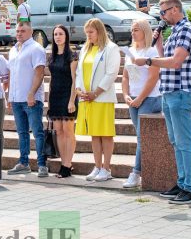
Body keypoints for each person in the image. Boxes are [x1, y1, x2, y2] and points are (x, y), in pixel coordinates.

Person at [134, 0, 191, 204]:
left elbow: (176, 62)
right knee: (175, 142)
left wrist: (149, 60)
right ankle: (182, 183)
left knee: (184, 142)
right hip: (169, 93)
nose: (161, 17)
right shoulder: (174, 32)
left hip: (180, 93)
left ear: (174, 9)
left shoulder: (187, 29)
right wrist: (159, 43)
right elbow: (166, 58)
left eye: (163, 12)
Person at [75, 18, 121, 182]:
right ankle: (97, 166)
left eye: (91, 32)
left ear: (100, 31)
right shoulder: (85, 49)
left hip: (102, 98)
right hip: (87, 98)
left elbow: (111, 73)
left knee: (105, 133)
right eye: (86, 32)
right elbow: (80, 72)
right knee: (94, 134)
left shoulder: (111, 48)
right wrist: (79, 89)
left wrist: (96, 92)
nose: (88, 36)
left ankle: (106, 168)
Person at [121, 19, 161, 188]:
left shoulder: (152, 52)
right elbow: (125, 76)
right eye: (131, 30)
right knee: (141, 137)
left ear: (144, 31)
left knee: (141, 137)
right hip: (133, 97)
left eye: (136, 29)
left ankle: (136, 173)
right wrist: (125, 95)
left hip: (150, 98)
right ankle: (145, 170)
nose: (133, 33)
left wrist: (140, 98)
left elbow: (153, 78)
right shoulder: (129, 51)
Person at [7, 22, 47, 177]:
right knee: (22, 132)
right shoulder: (13, 50)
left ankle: (42, 165)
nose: (19, 33)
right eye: (17, 31)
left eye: (22, 31)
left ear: (30, 32)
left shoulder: (36, 48)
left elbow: (39, 72)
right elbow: (12, 74)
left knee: (37, 132)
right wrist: (10, 95)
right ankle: (24, 163)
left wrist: (31, 93)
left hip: (32, 99)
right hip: (16, 98)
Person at [47, 25, 78, 178]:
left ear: (66, 36)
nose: (58, 36)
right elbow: (52, 79)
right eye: (55, 34)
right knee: (58, 130)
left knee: (68, 130)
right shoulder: (52, 56)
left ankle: (67, 164)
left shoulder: (72, 55)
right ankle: (64, 163)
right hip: (55, 96)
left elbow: (75, 80)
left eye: (60, 34)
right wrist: (49, 101)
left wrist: (72, 100)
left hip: (68, 95)